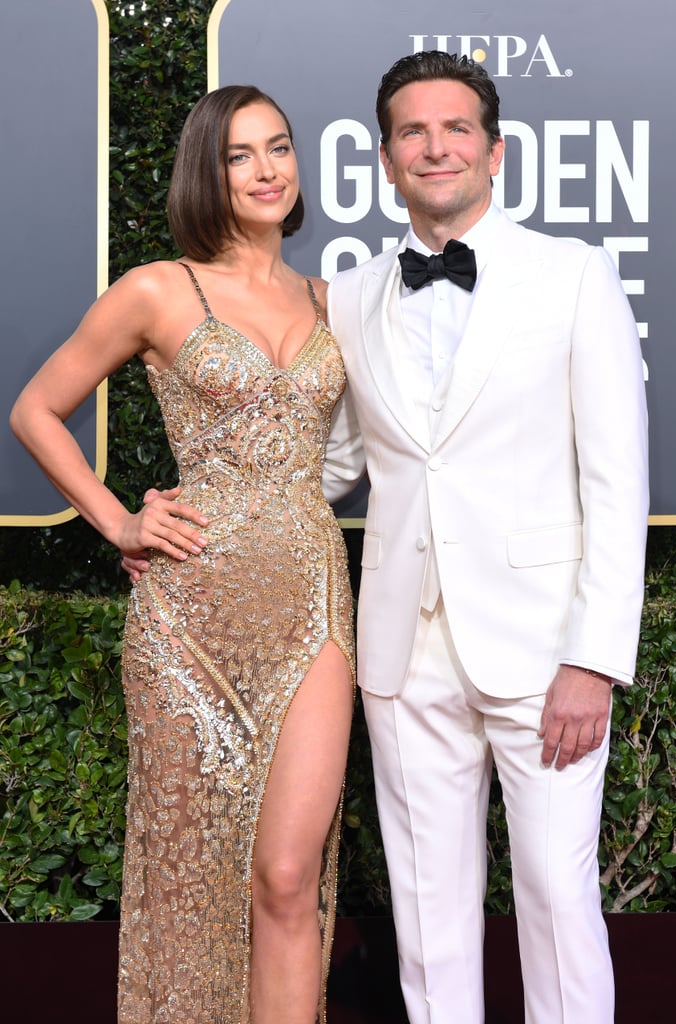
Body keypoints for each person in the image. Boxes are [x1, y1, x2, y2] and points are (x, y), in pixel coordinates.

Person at [11, 84, 362, 1024]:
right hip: (188, 615)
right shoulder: (159, 288)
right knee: (190, 869)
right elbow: (36, 410)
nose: (265, 170)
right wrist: (119, 521)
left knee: (288, 875)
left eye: (278, 148)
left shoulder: (333, 298)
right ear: (206, 173)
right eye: (239, 154)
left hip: (314, 599)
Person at [321, 51, 649, 1024]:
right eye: (412, 132)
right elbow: (333, 460)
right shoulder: (346, 294)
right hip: (400, 653)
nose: (435, 147)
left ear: (494, 150)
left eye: (454, 128)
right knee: (426, 913)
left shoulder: (574, 275)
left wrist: (591, 658)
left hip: (545, 653)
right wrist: (202, 502)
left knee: (554, 898)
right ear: (384, 159)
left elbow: (614, 481)